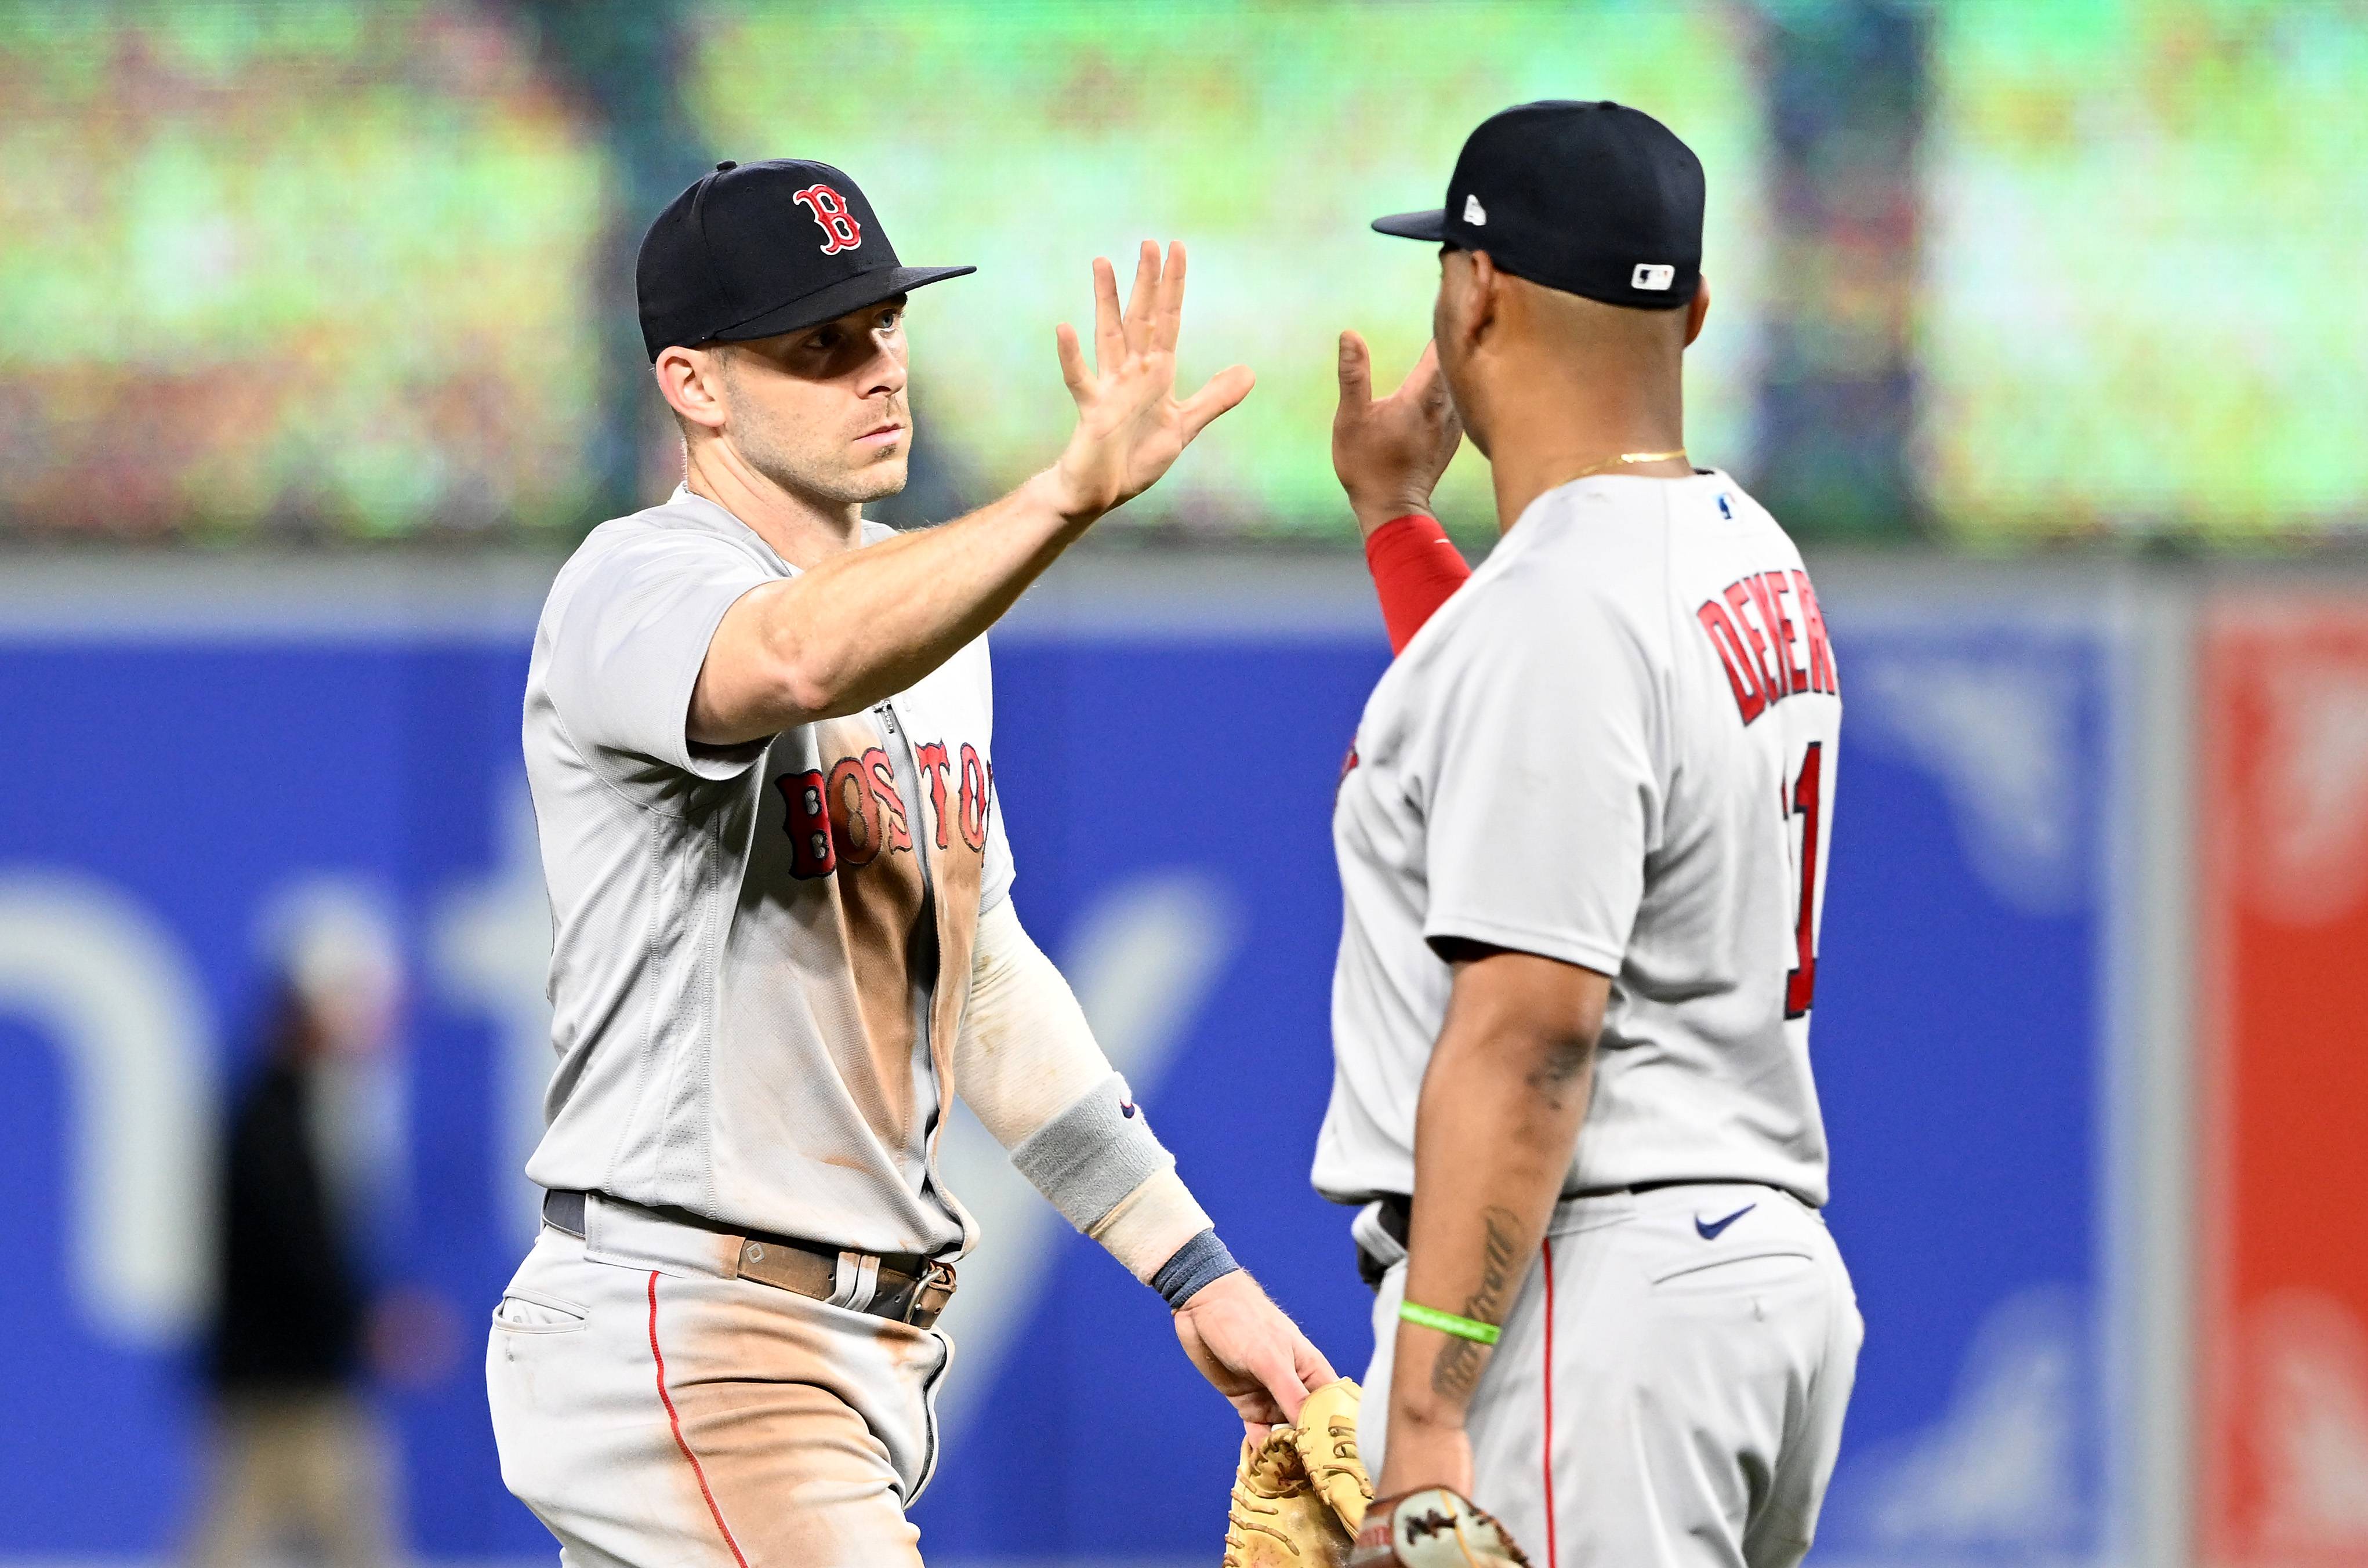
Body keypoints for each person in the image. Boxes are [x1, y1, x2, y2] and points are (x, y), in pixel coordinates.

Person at [484, 158, 1334, 1568]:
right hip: (697, 1325)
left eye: (882, 322)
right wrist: (1064, 495)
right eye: (817, 344)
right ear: (694, 386)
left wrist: (1194, 1269)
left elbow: (982, 983)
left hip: (850, 1351)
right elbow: (797, 653)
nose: (876, 367)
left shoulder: (936, 630)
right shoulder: (628, 586)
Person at [1318, 102, 1862, 1567]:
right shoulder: (1743, 545)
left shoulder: (1559, 607)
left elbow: (1535, 1028)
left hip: (1583, 1293)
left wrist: (1427, 1415)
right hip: (1754, 1283)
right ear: (1690, 308)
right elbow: (1538, 757)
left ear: (1476, 290)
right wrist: (1398, 519)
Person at [188, 901, 412, 1568]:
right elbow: (297, 1249)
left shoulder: (283, 1106)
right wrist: (362, 1320)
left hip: (283, 1377)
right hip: (288, 1386)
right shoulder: (274, 1118)